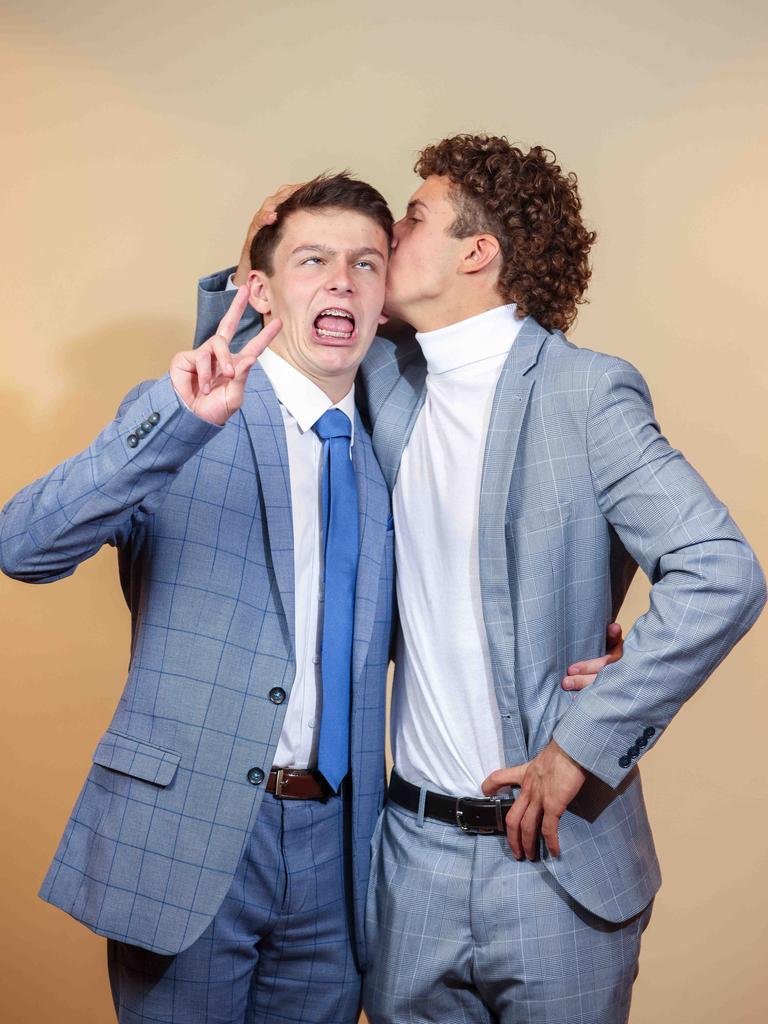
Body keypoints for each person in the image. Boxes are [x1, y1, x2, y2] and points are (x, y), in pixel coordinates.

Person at [196, 135, 765, 1024]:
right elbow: (247, 373)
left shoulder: (587, 393)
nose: (387, 230)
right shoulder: (387, 378)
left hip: (552, 866)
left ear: (477, 252)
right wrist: (254, 254)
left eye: (412, 218)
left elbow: (720, 571)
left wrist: (588, 738)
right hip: (409, 866)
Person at [0, 173, 397, 1024]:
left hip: (340, 850)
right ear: (258, 289)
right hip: (192, 837)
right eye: (313, 259)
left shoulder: (389, 456)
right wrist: (175, 427)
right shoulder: (184, 416)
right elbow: (22, 548)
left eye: (367, 263)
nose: (342, 280)